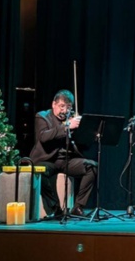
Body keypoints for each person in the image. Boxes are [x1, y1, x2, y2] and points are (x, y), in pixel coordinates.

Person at [29, 90, 98, 219]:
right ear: (53, 104)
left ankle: (78, 207)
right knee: (40, 171)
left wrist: (85, 131)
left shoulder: (73, 120)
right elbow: (43, 137)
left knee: (92, 166)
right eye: (62, 106)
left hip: (67, 160)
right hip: (47, 160)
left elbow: (84, 145)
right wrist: (67, 126)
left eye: (68, 107)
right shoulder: (42, 116)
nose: (65, 110)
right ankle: (55, 209)